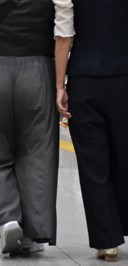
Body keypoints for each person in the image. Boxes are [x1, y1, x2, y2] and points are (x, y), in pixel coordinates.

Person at [0, 0, 74, 255]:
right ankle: (30, 234)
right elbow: (63, 35)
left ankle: (6, 218)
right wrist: (60, 85)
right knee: (37, 155)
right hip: (38, 71)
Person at [57, 1, 128, 262]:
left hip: (84, 80)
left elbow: (64, 36)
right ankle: (119, 223)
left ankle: (107, 242)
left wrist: (59, 85)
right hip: (124, 77)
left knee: (92, 164)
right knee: (123, 157)